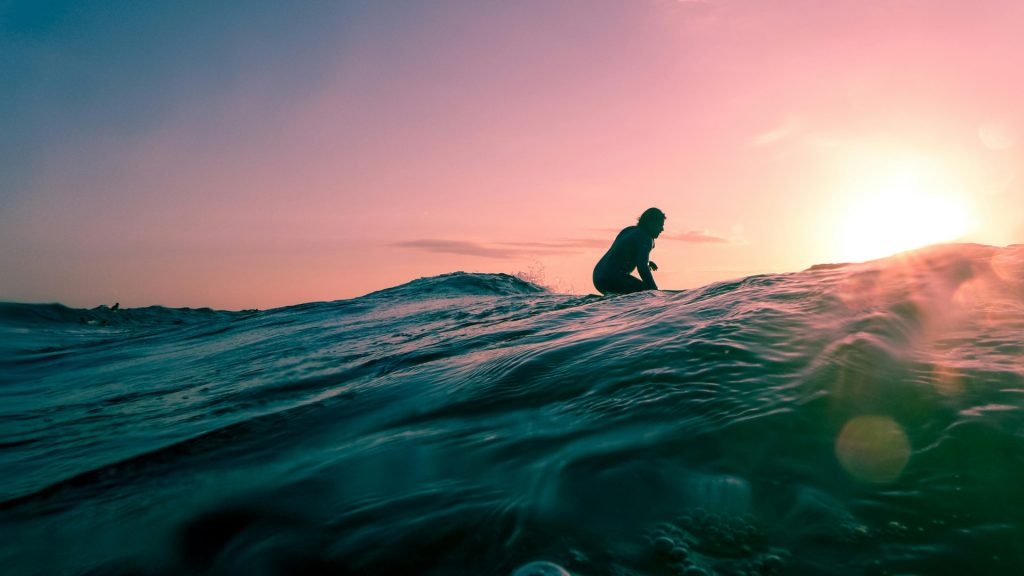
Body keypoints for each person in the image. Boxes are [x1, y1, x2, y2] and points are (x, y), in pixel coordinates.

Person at [593, 207, 666, 295]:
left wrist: (647, 262)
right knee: (646, 293)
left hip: (597, 277)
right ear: (651, 223)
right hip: (613, 278)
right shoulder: (646, 237)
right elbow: (642, 268)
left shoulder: (628, 230)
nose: (662, 229)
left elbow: (620, 254)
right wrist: (655, 291)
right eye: (660, 225)